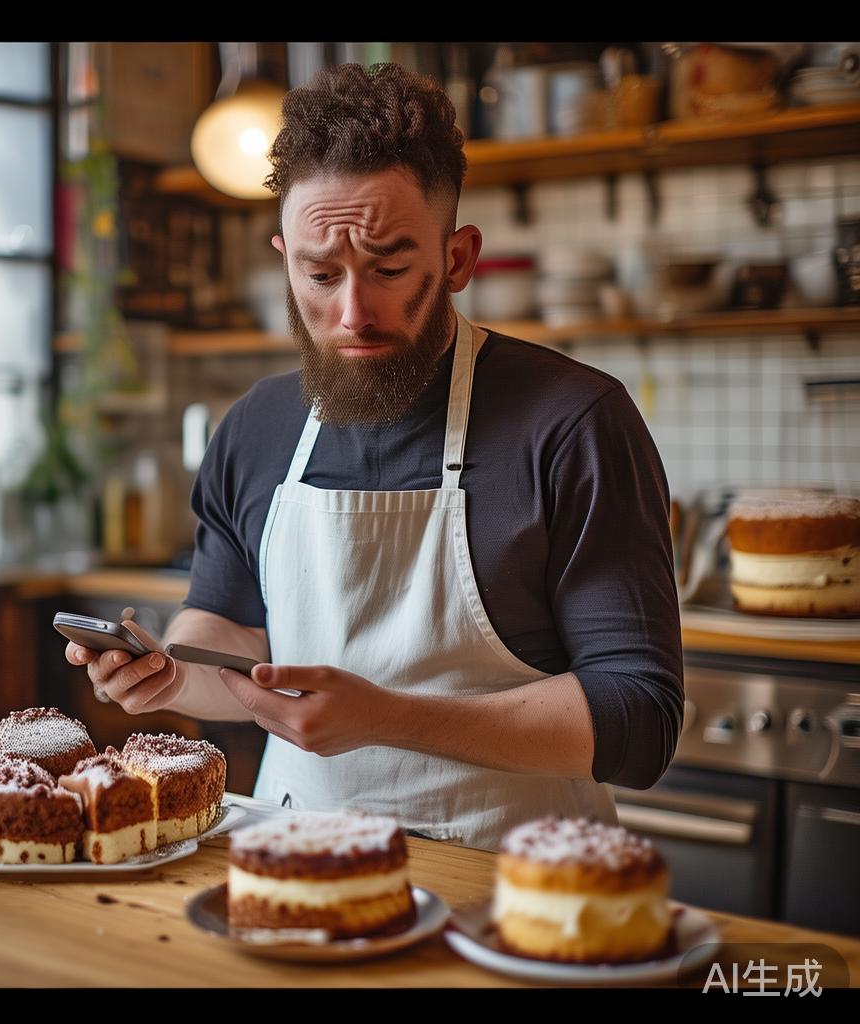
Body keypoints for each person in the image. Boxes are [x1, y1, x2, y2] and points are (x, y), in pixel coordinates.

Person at [66, 62, 684, 851]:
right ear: (284, 257)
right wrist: (167, 676)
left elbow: (640, 720)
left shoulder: (574, 423)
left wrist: (385, 718)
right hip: (295, 861)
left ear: (458, 258)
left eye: (390, 269)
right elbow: (231, 632)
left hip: (517, 886)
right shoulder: (256, 426)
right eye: (319, 275)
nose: (352, 313)